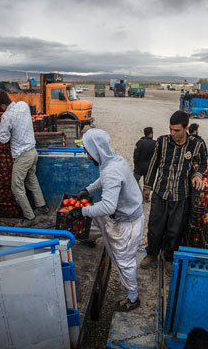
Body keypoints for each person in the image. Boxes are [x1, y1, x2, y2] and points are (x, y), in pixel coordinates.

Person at [69, 129, 144, 312]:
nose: (87, 155)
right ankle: (89, 237)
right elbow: (103, 180)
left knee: (124, 262)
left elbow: (108, 207)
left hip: (126, 224)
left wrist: (82, 211)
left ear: (95, 150)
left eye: (87, 151)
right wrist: (88, 190)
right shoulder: (113, 160)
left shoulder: (111, 170)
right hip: (125, 214)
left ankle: (133, 298)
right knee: (98, 220)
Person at [140, 111, 208, 273]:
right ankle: (152, 254)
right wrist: (148, 187)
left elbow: (203, 162)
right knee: (155, 226)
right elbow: (153, 164)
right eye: (171, 129)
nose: (173, 133)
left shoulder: (196, 144)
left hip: (180, 195)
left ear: (186, 128)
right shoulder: (163, 142)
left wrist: (198, 174)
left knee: (174, 229)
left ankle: (169, 257)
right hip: (160, 193)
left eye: (176, 130)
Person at [0, 89, 49, 227]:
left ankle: (30, 217)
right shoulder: (23, 105)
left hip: (22, 156)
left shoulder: (6, 116)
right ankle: (42, 206)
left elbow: (3, 139)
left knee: (16, 187)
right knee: (31, 179)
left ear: (2, 106)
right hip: (33, 152)